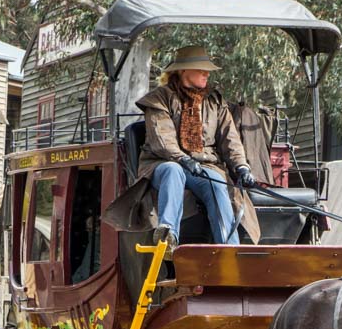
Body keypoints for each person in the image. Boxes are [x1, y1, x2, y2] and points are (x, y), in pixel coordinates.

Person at [108, 44, 261, 247]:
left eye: (207, 70)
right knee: (173, 171)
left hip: (203, 166)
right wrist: (183, 159)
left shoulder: (214, 102)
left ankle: (229, 249)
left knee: (215, 181)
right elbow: (162, 139)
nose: (207, 74)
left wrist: (242, 167)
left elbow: (230, 139)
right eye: (200, 69)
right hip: (161, 163)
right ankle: (168, 236)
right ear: (182, 71)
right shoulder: (159, 99)